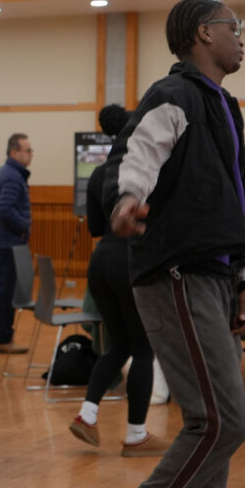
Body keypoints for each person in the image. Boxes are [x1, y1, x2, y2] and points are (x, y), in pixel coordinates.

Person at [105, 0, 245, 488]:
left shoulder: (224, 104)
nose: (241, 37)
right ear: (204, 33)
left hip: (219, 277)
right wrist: (128, 198)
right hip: (178, 273)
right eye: (233, 26)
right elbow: (135, 155)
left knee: (213, 425)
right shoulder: (173, 94)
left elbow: (240, 194)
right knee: (223, 423)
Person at [69, 104, 168, 458]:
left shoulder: (100, 173)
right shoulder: (147, 171)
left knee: (118, 346)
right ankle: (136, 435)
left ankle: (87, 415)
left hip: (101, 262)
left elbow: (96, 227)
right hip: (131, 261)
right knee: (142, 349)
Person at [0, 132, 35, 354]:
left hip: (3, 240)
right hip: (7, 241)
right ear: (14, 153)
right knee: (9, 293)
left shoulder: (10, 173)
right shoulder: (12, 176)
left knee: (8, 291)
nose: (31, 154)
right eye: (27, 150)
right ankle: (1, 340)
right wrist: (24, 225)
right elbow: (6, 208)